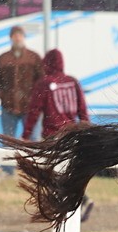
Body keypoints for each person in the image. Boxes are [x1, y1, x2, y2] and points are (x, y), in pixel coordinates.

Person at [23, 49, 95, 221]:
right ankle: (74, 203)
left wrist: (26, 135)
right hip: (72, 135)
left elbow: (34, 111)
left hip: (53, 136)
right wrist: (87, 131)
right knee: (68, 172)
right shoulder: (73, 82)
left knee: (47, 173)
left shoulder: (44, 83)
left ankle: (74, 203)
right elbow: (82, 110)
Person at [0, 26, 44, 140]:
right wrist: (2, 95)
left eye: (20, 35)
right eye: (15, 35)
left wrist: (37, 98)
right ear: (11, 38)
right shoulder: (3, 58)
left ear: (24, 37)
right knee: (8, 141)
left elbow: (41, 79)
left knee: (34, 141)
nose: (18, 38)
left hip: (30, 107)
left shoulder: (33, 57)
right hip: (8, 106)